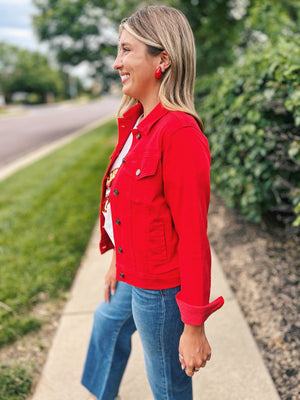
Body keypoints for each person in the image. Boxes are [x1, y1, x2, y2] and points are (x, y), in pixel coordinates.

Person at [81, 5, 224, 400]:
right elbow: (132, 206)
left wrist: (193, 325)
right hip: (132, 270)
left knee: (167, 384)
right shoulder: (139, 123)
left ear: (162, 59)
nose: (116, 63)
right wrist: (118, 259)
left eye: (126, 50)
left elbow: (193, 237)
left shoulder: (178, 133)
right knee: (106, 323)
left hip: (160, 289)